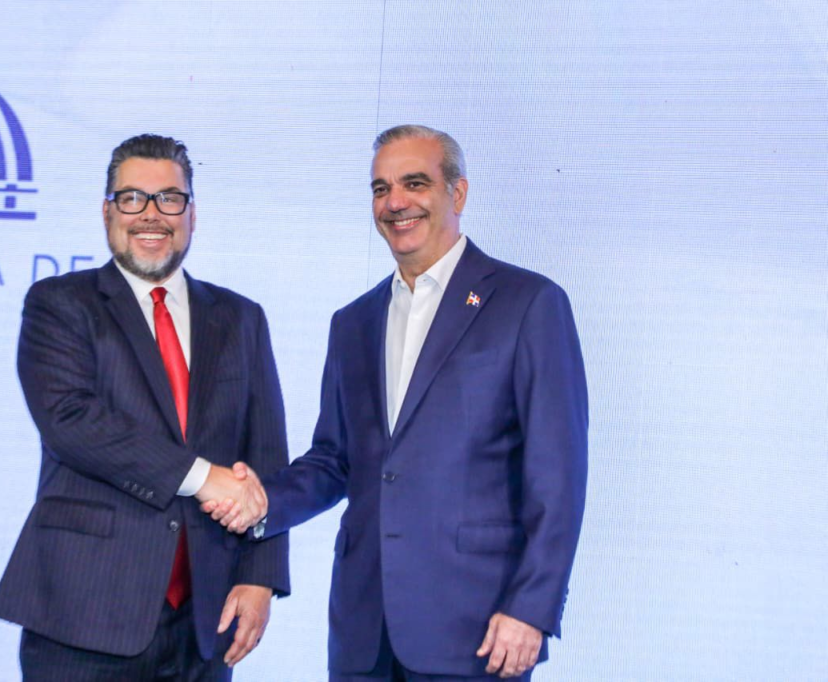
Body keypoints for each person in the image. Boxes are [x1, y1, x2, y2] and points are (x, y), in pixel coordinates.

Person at [207, 125, 587, 681]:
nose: (395, 202)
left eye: (415, 183)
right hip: (363, 630)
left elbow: (558, 474)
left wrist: (532, 607)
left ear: (457, 193)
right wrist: (262, 501)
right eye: (381, 189)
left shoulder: (528, 303)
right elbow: (335, 461)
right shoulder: (353, 322)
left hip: (480, 629)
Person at [0, 133, 288, 681]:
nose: (151, 214)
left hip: (205, 621)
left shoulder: (241, 318)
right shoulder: (60, 304)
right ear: (107, 212)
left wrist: (262, 575)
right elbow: (71, 422)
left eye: (169, 198)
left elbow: (265, 456)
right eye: (132, 198)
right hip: (83, 616)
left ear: (192, 214)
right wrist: (204, 478)